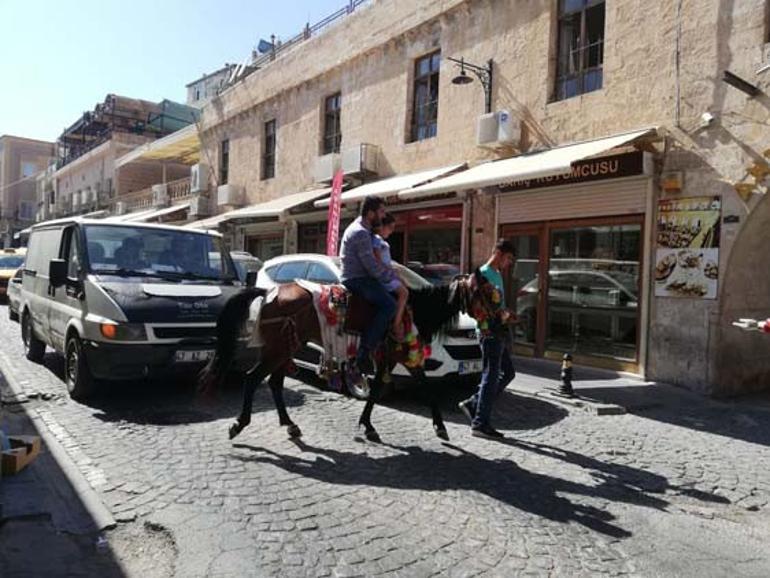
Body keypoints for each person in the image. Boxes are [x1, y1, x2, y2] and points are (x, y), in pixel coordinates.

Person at [458, 239, 517, 439]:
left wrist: (506, 314)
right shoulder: (482, 275)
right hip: (489, 331)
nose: (509, 264)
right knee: (490, 376)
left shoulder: (498, 275)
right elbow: (476, 308)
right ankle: (480, 423)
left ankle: (474, 404)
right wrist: (485, 329)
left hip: (499, 329)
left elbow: (496, 306)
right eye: (508, 258)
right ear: (499, 254)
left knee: (508, 373)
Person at [340, 196, 396, 373]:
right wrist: (391, 278)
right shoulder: (360, 233)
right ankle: (365, 350)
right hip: (356, 279)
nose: (383, 215)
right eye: (381, 212)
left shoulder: (365, 230)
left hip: (362, 277)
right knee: (389, 305)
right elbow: (371, 266)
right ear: (371, 213)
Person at [373, 213, 409, 341]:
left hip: (387, 273)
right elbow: (378, 260)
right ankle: (396, 324)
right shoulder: (376, 240)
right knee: (404, 293)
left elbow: (386, 262)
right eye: (391, 228)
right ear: (382, 226)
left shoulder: (382, 242)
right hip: (382, 276)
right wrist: (392, 273)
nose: (392, 231)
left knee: (405, 288)